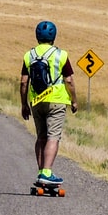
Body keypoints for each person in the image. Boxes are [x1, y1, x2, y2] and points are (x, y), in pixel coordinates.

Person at [20, 20, 78, 186]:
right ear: (54, 36)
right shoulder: (61, 55)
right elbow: (69, 81)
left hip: (37, 101)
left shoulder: (28, 55)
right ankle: (47, 172)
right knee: (53, 137)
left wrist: (24, 104)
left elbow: (24, 82)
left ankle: (41, 173)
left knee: (41, 137)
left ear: (37, 36)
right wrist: (74, 100)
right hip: (57, 100)